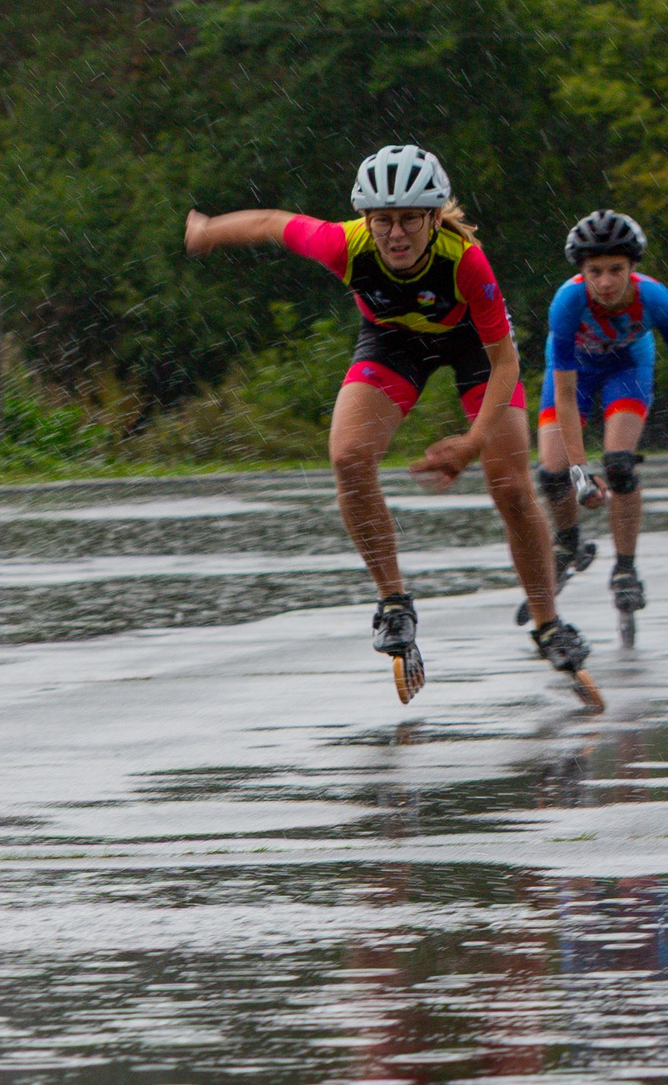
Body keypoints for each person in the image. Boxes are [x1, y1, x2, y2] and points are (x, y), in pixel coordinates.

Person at [183, 145, 589, 699]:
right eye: (383, 221)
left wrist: (472, 441)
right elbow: (272, 223)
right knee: (348, 458)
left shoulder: (464, 259)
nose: (395, 234)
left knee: (512, 485)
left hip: (475, 348)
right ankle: (394, 602)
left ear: (432, 216)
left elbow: (505, 363)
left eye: (409, 221)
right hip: (394, 342)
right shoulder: (344, 244)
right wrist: (207, 231)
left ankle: (547, 622)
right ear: (366, 219)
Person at [535, 210, 668, 622]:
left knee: (619, 467)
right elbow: (564, 394)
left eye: (616, 270)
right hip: (574, 376)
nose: (605, 282)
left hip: (627, 368)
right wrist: (579, 469)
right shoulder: (567, 303)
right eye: (595, 271)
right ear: (581, 271)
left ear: (632, 268)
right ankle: (568, 542)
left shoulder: (655, 298)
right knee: (552, 474)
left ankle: (626, 568)